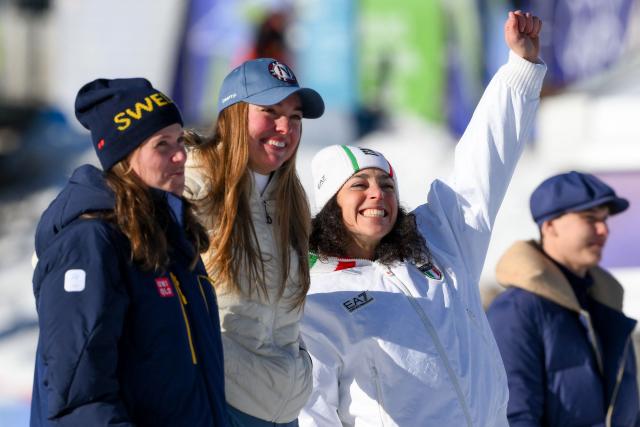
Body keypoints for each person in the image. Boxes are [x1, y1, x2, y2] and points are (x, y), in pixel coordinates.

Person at [298, 11, 546, 427]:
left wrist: (519, 68)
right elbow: (313, 413)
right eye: (359, 185)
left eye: (387, 184)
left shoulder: (439, 242)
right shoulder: (314, 298)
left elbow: (482, 165)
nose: (378, 193)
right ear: (329, 205)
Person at [30, 78, 227, 426]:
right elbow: (80, 398)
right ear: (125, 158)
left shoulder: (169, 240)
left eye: (180, 140)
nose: (180, 154)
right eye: (161, 144)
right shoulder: (90, 243)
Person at [183, 58, 324, 426]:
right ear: (233, 114)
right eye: (270, 112)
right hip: (216, 402)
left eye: (294, 117)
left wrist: (300, 363)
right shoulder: (191, 187)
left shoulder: (291, 199)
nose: (285, 128)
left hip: (283, 410)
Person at [487, 171, 640, 426]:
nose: (603, 230)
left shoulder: (605, 304)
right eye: (590, 219)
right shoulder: (517, 310)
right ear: (550, 226)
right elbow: (514, 417)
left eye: (604, 220)